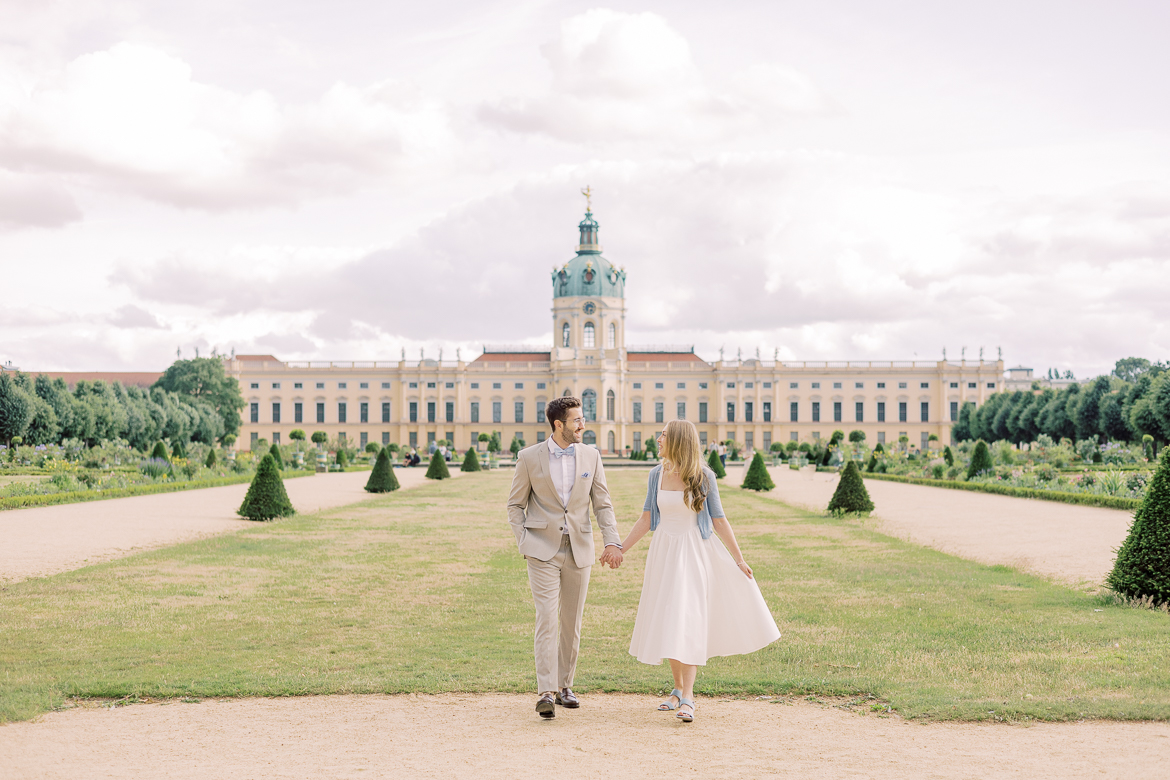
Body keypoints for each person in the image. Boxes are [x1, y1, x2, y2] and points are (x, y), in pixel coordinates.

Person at [616, 419, 780, 723]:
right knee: (669, 618)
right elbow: (646, 519)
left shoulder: (703, 476)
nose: (658, 439)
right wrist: (619, 549)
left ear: (678, 440)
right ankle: (677, 689)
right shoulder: (656, 474)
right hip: (664, 552)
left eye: (664, 435)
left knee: (686, 617)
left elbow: (719, 520)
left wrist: (739, 559)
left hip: (693, 552)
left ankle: (689, 696)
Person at [506, 396, 623, 719]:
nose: (582, 425)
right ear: (558, 425)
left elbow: (603, 504)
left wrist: (612, 541)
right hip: (541, 550)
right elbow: (515, 505)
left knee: (572, 622)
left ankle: (565, 685)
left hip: (579, 548)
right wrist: (524, 542)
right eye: (576, 421)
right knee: (547, 617)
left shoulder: (591, 456)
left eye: (582, 420)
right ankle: (545, 690)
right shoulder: (529, 457)